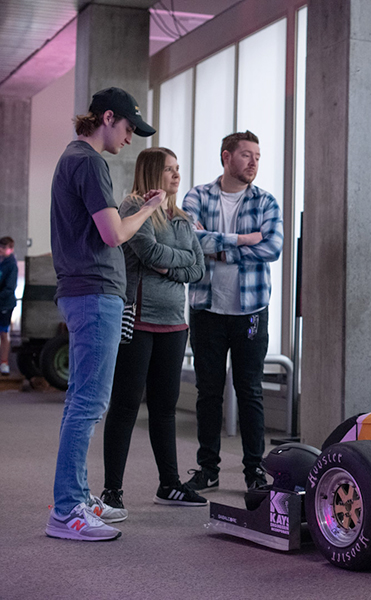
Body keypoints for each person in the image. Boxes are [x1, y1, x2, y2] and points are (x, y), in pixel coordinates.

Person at [45, 87, 162, 541]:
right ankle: (67, 509)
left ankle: (74, 495)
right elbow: (113, 234)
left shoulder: (75, 158)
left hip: (89, 292)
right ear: (108, 117)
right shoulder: (88, 160)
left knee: (82, 401)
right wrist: (148, 209)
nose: (131, 138)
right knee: (89, 404)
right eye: (129, 127)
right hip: (93, 292)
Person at [101, 148, 207, 512]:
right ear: (151, 172)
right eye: (168, 170)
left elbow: (198, 269)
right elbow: (150, 254)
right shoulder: (133, 208)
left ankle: (170, 484)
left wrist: (171, 266)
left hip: (174, 324)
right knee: (127, 404)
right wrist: (175, 262)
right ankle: (112, 490)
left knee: (165, 407)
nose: (176, 176)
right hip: (139, 319)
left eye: (178, 169)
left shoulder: (181, 217)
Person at [182, 131, 283, 492]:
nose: (254, 162)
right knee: (208, 392)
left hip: (251, 310)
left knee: (249, 391)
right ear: (226, 157)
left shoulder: (266, 202)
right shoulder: (197, 196)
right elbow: (189, 240)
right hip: (207, 308)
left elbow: (272, 248)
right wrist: (242, 240)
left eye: (257, 155)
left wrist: (219, 247)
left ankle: (255, 471)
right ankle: (207, 468)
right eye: (246, 155)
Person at [0, 237, 17, 375]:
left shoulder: (11, 265)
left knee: (4, 334)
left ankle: (4, 363)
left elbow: (9, 288)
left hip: (5, 304)